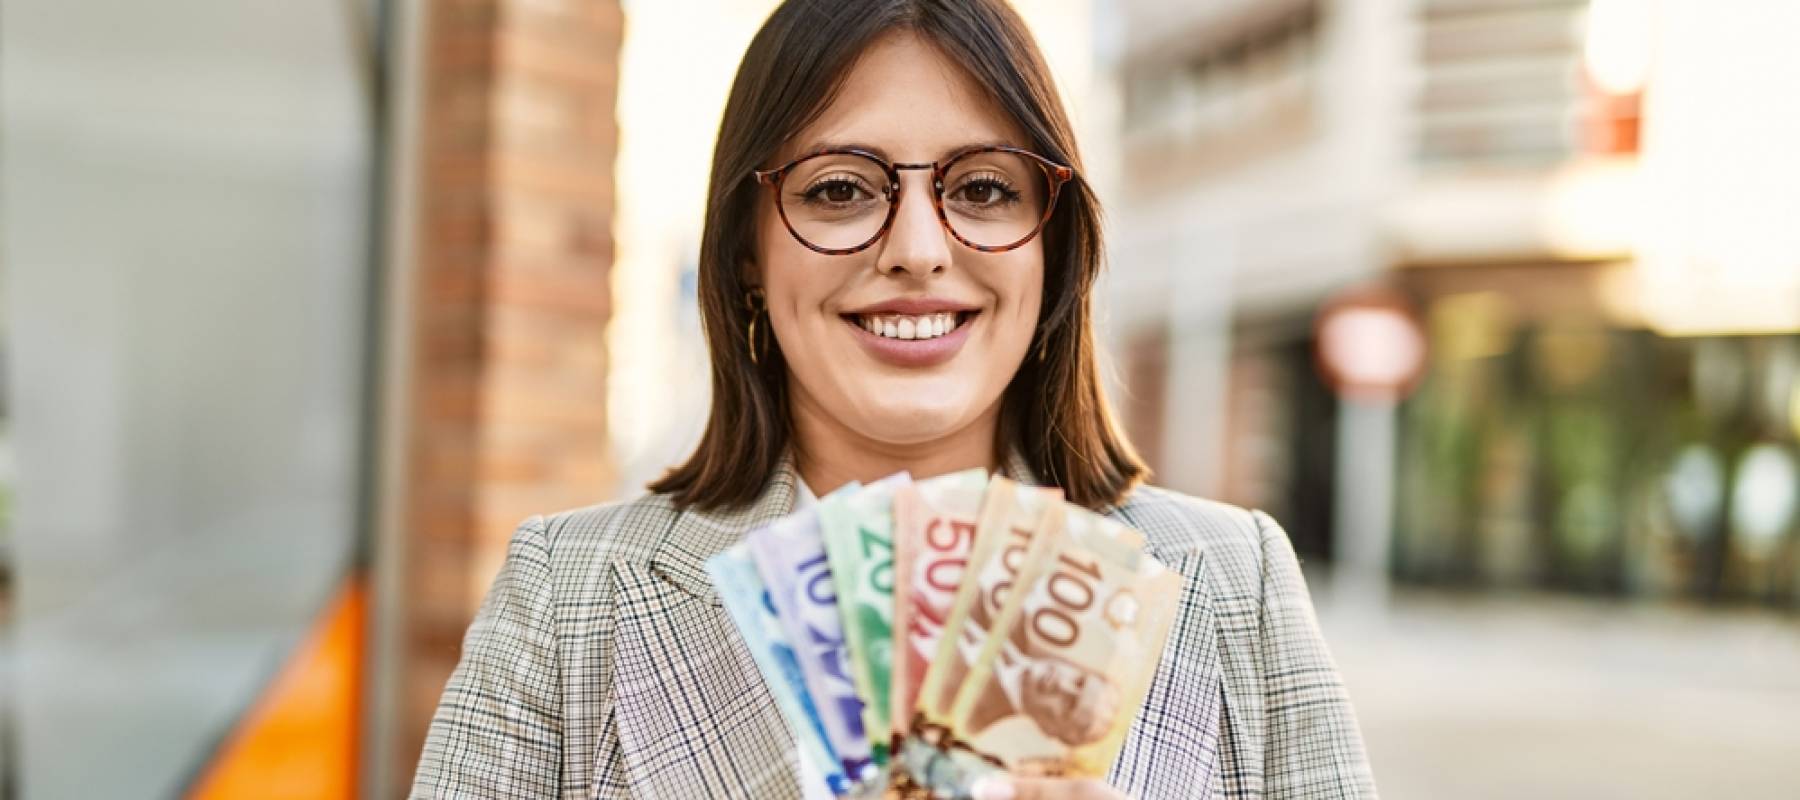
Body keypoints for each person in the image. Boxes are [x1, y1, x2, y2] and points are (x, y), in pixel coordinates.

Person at [411, 1, 1377, 798]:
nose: (918, 247)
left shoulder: (1230, 580)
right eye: (840, 189)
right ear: (748, 252)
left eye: (986, 189)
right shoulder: (569, 590)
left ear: (1054, 246)